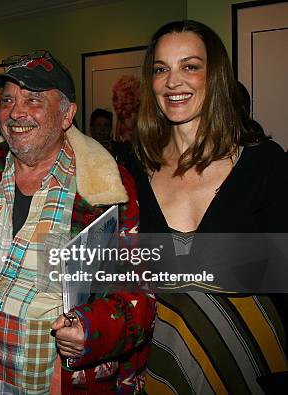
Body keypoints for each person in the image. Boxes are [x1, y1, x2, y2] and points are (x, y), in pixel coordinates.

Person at [0, 50, 155, 394]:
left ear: (67, 115)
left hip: (51, 384)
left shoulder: (105, 187)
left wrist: (89, 330)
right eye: (7, 99)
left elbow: (139, 293)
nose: (15, 112)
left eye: (33, 99)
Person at [128, 20, 288, 394]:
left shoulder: (264, 164)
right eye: (161, 69)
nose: (173, 82)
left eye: (190, 66)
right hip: (163, 363)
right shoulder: (133, 169)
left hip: (254, 365)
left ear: (214, 75)